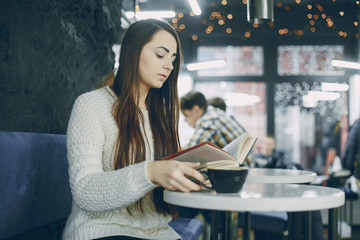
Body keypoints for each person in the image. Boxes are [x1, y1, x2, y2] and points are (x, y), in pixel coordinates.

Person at [62, 19, 206, 240]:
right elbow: (84, 190)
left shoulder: (160, 114)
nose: (169, 65)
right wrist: (150, 172)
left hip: (157, 232)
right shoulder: (91, 105)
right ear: (133, 52)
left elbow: (159, 194)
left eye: (173, 59)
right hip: (101, 231)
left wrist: (192, 178)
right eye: (161, 55)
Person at [180, 91, 246, 149]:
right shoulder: (215, 112)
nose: (185, 120)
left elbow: (191, 153)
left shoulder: (208, 122)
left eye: (186, 115)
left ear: (196, 110)